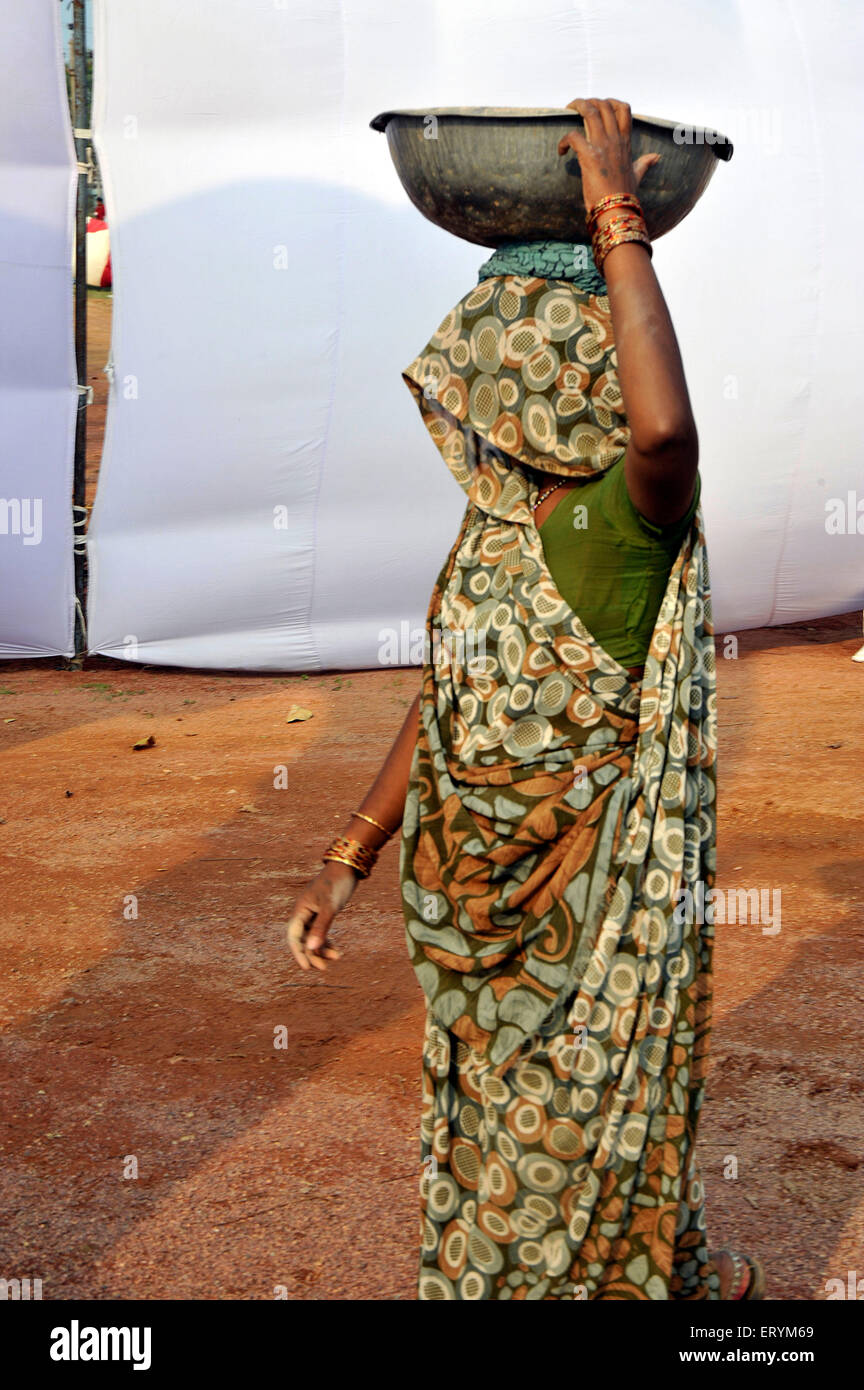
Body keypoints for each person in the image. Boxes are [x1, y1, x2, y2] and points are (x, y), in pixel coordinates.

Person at [287, 97, 765, 1302]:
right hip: (476, 934)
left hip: (577, 933)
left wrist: (618, 218)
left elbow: (666, 436)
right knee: (508, 1138)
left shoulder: (622, 527)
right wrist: (350, 850)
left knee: (568, 1152)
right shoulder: (497, 531)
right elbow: (453, 694)